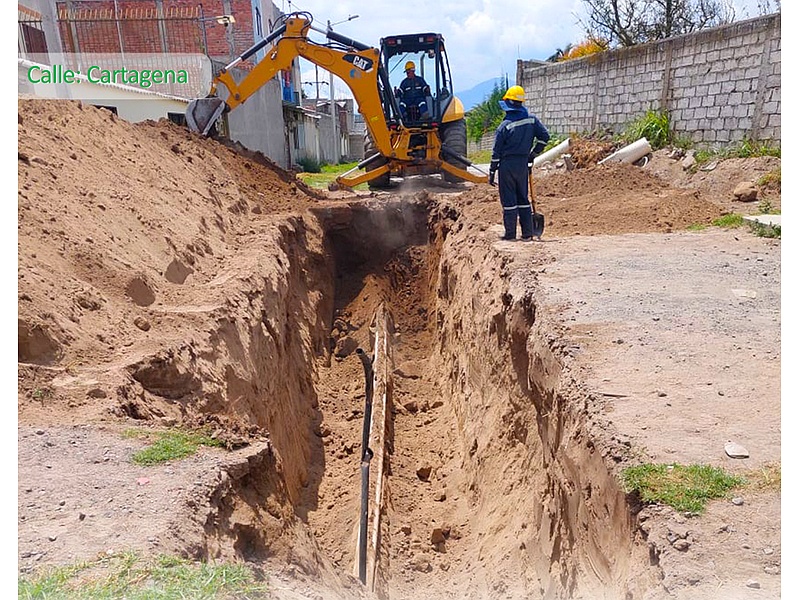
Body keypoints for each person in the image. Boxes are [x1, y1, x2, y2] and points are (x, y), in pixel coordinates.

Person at [489, 85, 549, 241]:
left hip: (507, 165)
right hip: (522, 164)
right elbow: (544, 137)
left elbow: (496, 153)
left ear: (508, 103)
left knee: (509, 200)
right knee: (523, 198)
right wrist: (533, 154)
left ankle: (510, 234)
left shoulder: (504, 126)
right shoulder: (532, 120)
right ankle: (527, 233)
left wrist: (492, 171)